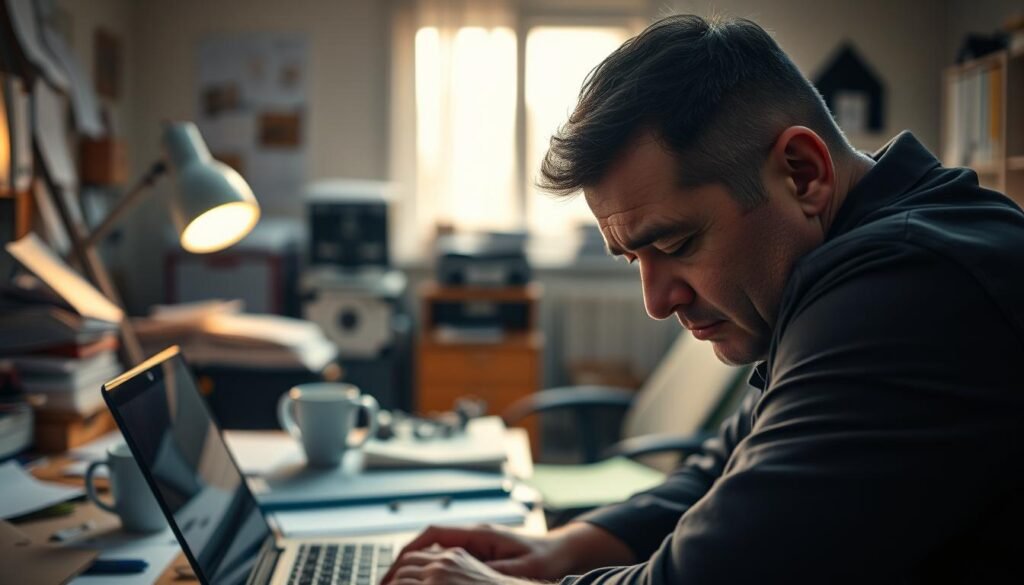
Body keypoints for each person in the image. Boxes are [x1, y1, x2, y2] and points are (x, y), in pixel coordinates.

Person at [383, 14, 1024, 585]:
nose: (657, 302)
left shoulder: (907, 289)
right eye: (634, 259)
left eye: (679, 242)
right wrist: (558, 550)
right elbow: (731, 460)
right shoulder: (860, 253)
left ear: (802, 173)